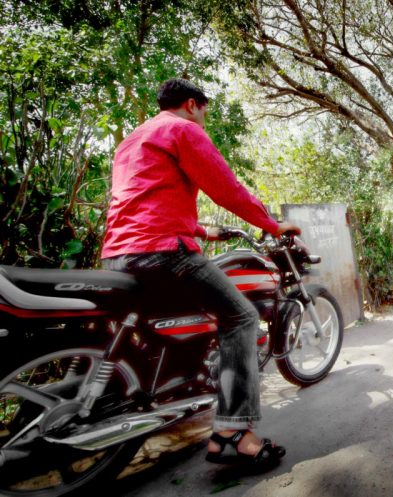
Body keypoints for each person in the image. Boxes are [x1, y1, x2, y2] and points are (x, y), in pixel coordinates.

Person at [101, 78, 299, 471]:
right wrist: (275, 226)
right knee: (241, 316)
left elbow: (144, 201)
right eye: (205, 110)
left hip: (118, 255)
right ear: (192, 104)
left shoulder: (130, 142)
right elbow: (226, 188)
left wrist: (202, 230)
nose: (204, 119)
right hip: (162, 253)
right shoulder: (182, 129)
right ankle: (233, 432)